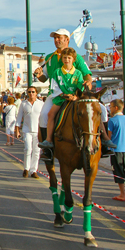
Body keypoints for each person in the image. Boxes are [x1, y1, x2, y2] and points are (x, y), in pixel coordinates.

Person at [34, 29, 94, 161]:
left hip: (75, 93)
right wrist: (39, 75)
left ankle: (103, 143)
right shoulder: (50, 57)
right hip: (56, 93)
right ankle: (47, 148)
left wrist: (87, 84)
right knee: (44, 115)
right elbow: (45, 79)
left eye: (59, 37)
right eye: (55, 38)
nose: (57, 40)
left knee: (97, 111)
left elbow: (87, 75)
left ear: (67, 39)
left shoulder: (76, 56)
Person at [108, 99, 125, 201]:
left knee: (118, 171)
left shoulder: (112, 120)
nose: (109, 108)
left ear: (115, 108)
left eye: (110, 106)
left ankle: (122, 194)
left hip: (116, 149)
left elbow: (109, 136)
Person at [15, 86, 44, 178]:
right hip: (27, 130)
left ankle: (33, 170)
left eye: (33, 92)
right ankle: (26, 169)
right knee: (28, 149)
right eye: (29, 92)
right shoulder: (24, 104)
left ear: (36, 93)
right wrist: (17, 130)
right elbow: (19, 117)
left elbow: (44, 118)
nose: (31, 93)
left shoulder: (41, 104)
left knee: (36, 151)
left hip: (37, 131)